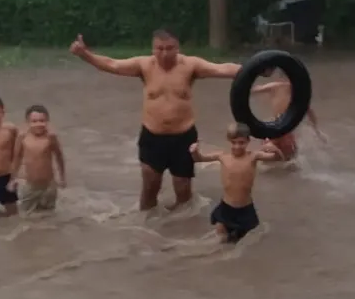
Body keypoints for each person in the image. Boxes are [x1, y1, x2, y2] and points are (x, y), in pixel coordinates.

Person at [69, 29, 241, 211]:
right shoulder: (144, 65)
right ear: (153, 49)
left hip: (183, 137)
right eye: (159, 49)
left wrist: (257, 67)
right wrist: (85, 55)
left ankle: (182, 234)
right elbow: (113, 64)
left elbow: (223, 68)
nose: (165, 54)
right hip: (153, 137)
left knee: (183, 192)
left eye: (170, 48)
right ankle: (144, 231)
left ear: (178, 48)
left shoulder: (191, 65)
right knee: (150, 189)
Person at [189, 123, 283, 243]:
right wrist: (194, 151)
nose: (237, 146)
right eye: (234, 142)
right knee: (221, 242)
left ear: (248, 141)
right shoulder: (222, 156)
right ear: (229, 141)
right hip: (226, 208)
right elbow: (199, 159)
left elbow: (278, 158)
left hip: (245, 209)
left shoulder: (254, 156)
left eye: (241, 142)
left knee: (245, 242)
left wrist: (275, 149)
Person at [250, 68, 325, 160]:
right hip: (277, 123)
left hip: (287, 127)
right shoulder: (275, 86)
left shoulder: (298, 93)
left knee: (288, 155)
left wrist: (317, 131)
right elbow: (255, 90)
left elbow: (309, 111)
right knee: (270, 150)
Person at [10, 104, 66, 215]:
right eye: (34, 121)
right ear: (28, 122)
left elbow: (59, 157)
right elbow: (16, 159)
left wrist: (62, 178)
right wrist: (12, 179)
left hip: (48, 185)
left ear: (47, 121)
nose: (38, 124)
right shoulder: (22, 137)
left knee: (49, 215)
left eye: (42, 121)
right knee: (26, 216)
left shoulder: (51, 137)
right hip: (30, 185)